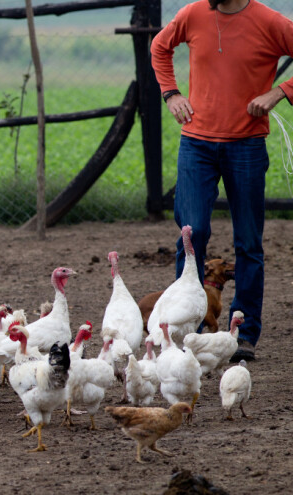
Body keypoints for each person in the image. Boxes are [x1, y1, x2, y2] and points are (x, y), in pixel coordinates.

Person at [151, 0, 293, 361]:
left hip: (246, 145)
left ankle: (242, 333)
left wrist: (279, 92)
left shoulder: (269, 21)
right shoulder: (192, 13)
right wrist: (171, 92)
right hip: (196, 144)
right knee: (192, 232)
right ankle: (189, 330)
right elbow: (159, 47)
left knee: (248, 242)